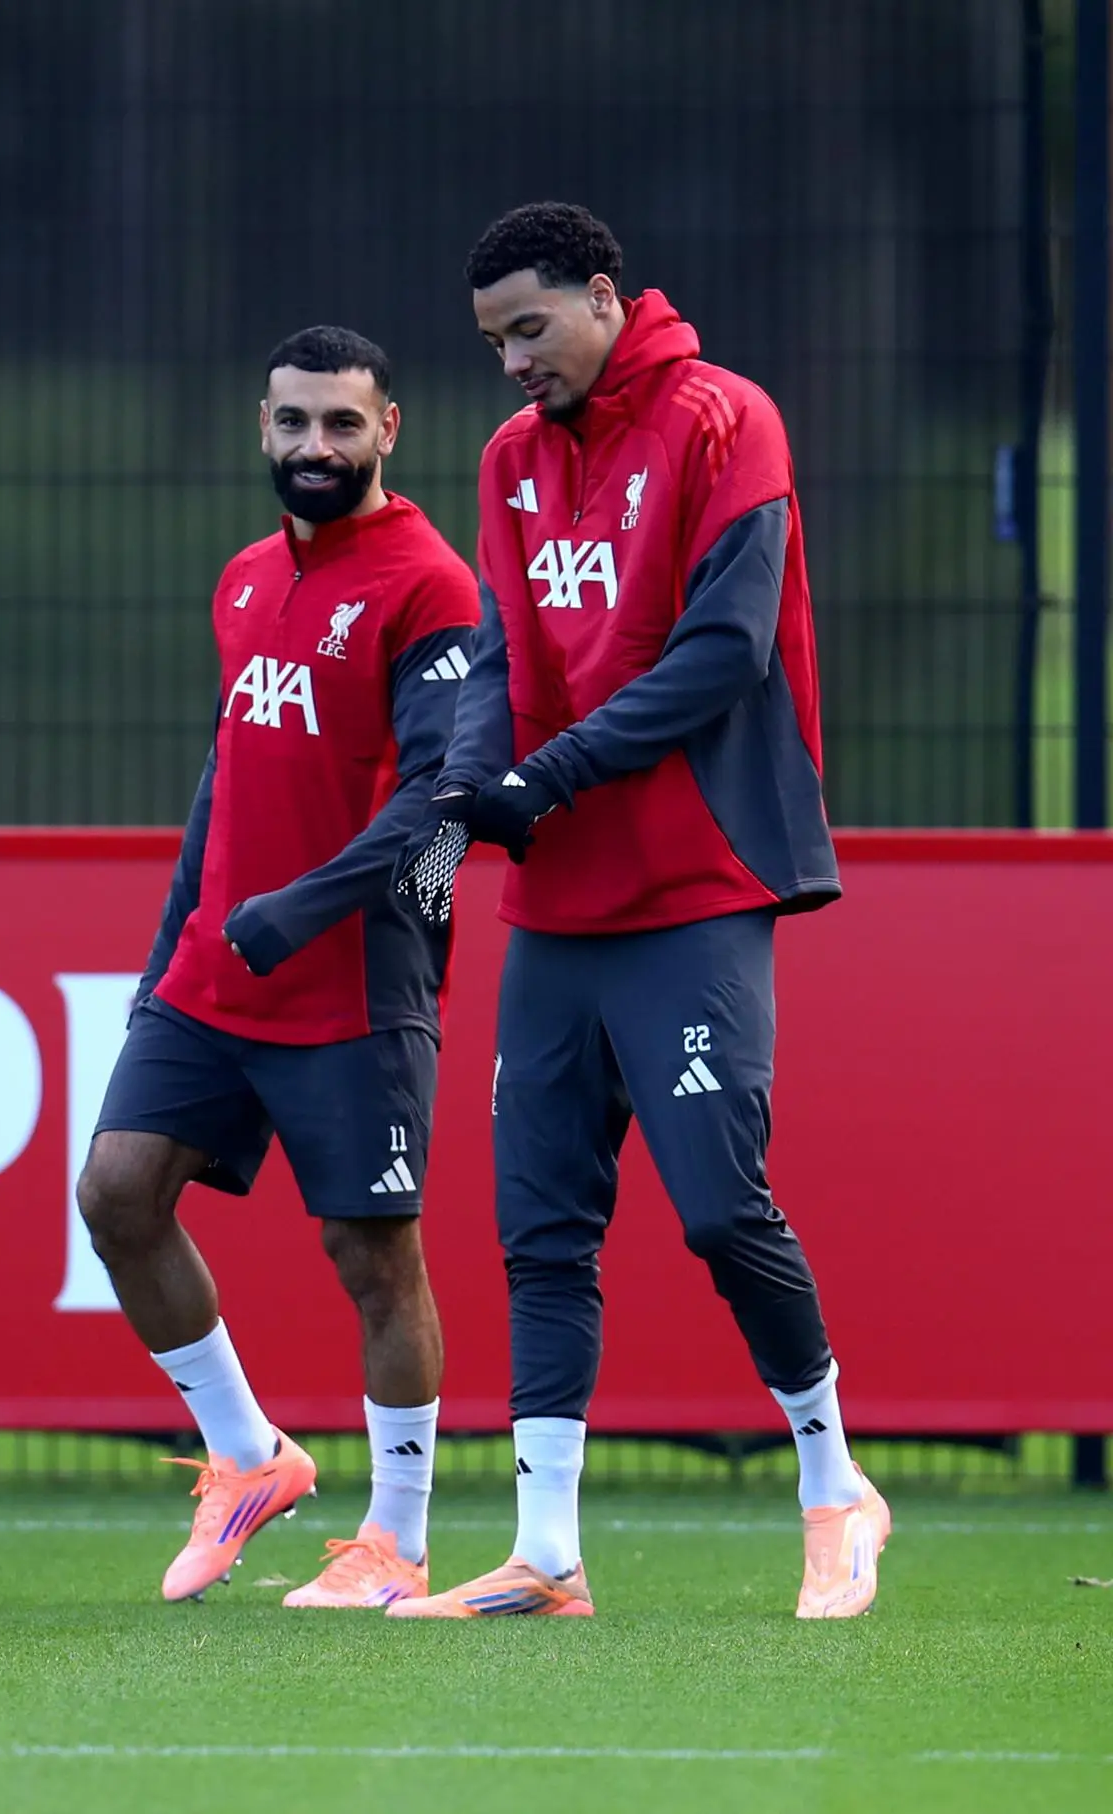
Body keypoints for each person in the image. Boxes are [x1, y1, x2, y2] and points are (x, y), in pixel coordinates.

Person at [392, 203, 890, 1621]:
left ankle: (835, 1483)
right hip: (560, 902)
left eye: (531, 329)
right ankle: (547, 1551)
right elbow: (498, 642)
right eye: (492, 341)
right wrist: (474, 769)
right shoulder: (508, 458)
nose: (511, 364)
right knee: (541, 1227)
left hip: (696, 881)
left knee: (721, 1205)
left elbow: (725, 651)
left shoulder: (729, 422)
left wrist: (541, 774)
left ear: (605, 299)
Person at [77, 325, 479, 1609]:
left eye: (341, 425)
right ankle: (248, 1457)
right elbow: (223, 779)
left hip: (352, 975)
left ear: (388, 431)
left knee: (372, 1254)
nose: (317, 447)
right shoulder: (245, 577)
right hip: (213, 969)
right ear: (262, 427)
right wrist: (172, 944)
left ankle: (397, 1538)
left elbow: (440, 796)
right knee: (117, 1192)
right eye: (294, 423)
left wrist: (296, 910)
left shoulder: (430, 584)